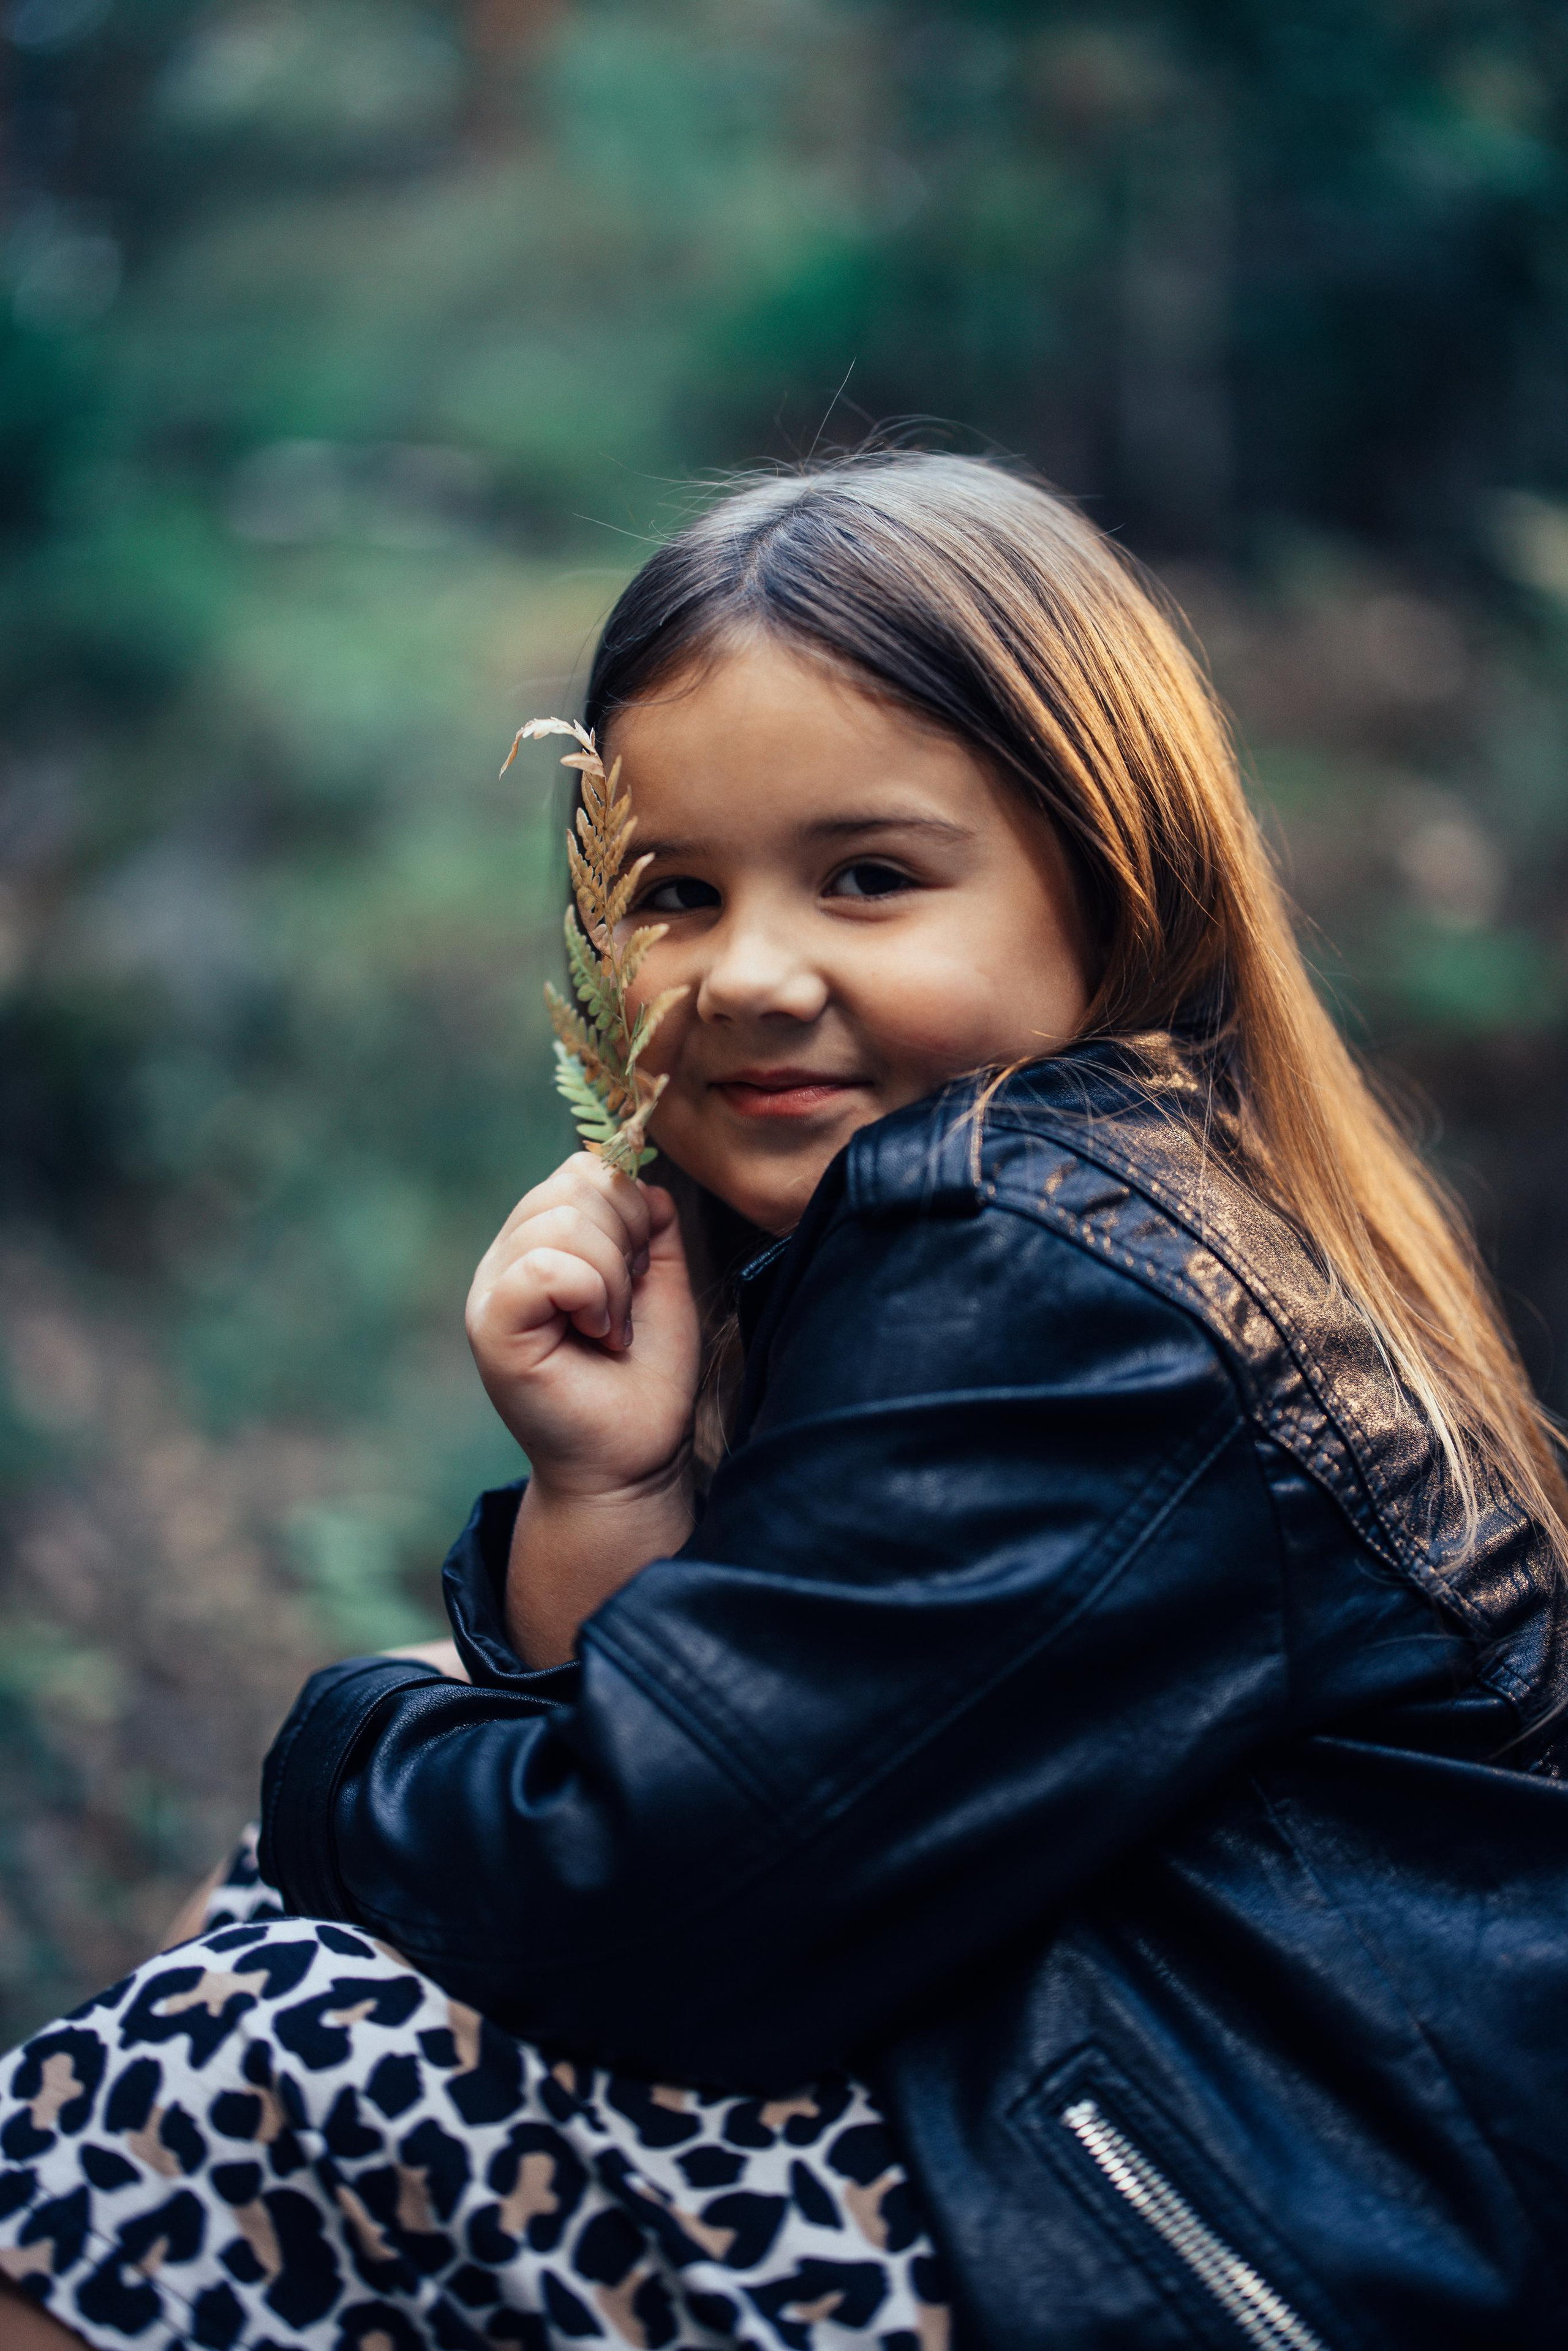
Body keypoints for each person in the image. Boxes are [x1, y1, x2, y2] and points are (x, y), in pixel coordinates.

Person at [4, 452, 1568, 2351]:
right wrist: (610, 1483)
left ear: (1109, 875)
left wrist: (330, 1752)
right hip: (1167, 2154)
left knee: (239, 2071)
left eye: (869, 879)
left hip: (1291, 2261)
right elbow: (730, 1798)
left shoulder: (1041, 1254)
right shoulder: (1064, 1212)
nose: (749, 974)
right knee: (298, 1939)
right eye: (674, 893)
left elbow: (652, 1901)